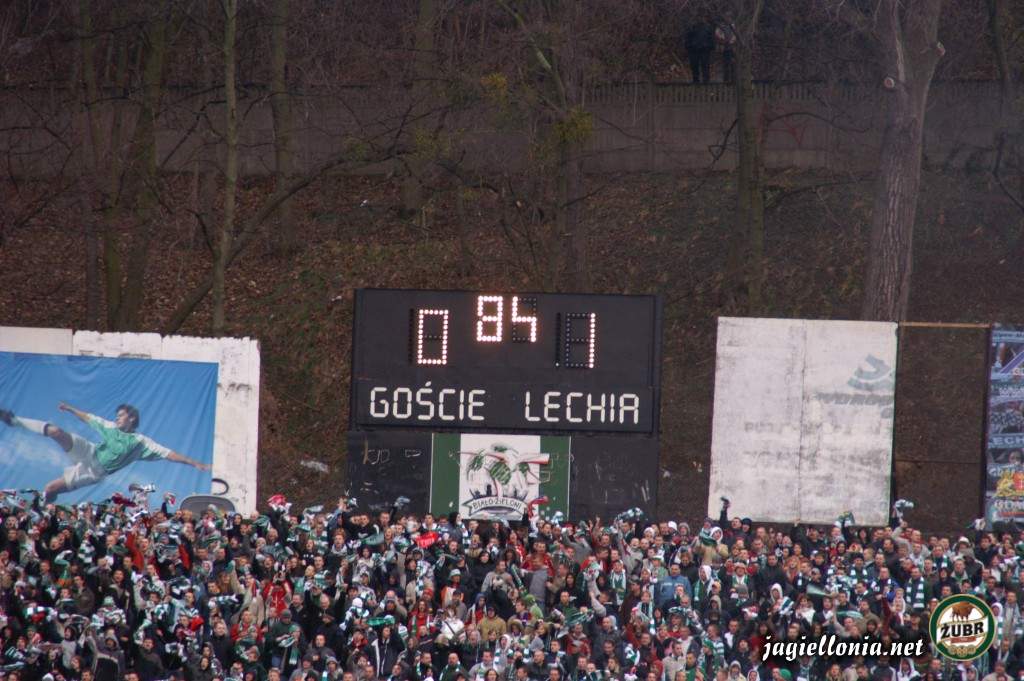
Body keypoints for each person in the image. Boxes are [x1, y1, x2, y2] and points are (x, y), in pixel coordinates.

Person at [0, 401, 210, 501]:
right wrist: (71, 409)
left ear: (132, 419)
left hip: (94, 472)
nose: (117, 418)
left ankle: (43, 509)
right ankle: (14, 420)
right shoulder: (110, 427)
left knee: (50, 488)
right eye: (117, 415)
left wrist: (194, 463)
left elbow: (169, 454)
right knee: (55, 431)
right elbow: (89, 418)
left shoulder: (141, 442)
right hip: (89, 452)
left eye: (121, 415)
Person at [684, 15, 715, 84]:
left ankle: (706, 81)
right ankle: (696, 81)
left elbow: (712, 39)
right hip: (694, 50)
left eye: (702, 17)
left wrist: (709, 47)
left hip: (705, 50)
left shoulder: (708, 27)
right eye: (699, 17)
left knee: (705, 66)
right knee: (694, 66)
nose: (700, 19)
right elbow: (687, 38)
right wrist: (689, 47)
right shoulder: (692, 27)